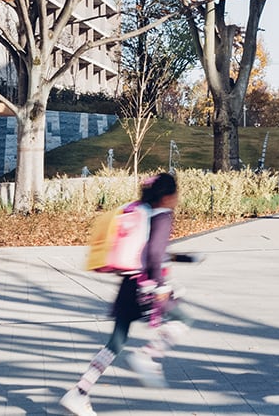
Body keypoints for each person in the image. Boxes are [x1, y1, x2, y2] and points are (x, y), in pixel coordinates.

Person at [60, 173, 193, 416]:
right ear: (167, 197)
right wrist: (162, 287)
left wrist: (183, 257)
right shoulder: (163, 215)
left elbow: (149, 251)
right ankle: (147, 356)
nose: (177, 199)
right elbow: (153, 253)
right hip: (148, 287)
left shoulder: (142, 211)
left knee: (116, 343)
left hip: (129, 285)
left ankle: (79, 393)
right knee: (183, 320)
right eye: (175, 194)